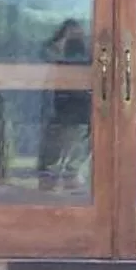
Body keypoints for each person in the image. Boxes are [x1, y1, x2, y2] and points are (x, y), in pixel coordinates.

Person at [37, 18, 93, 188]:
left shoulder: (88, 53)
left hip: (81, 106)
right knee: (57, 143)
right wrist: (59, 45)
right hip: (60, 106)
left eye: (78, 36)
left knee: (77, 145)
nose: (74, 41)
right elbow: (46, 55)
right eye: (71, 36)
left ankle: (71, 176)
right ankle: (50, 178)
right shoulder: (56, 54)